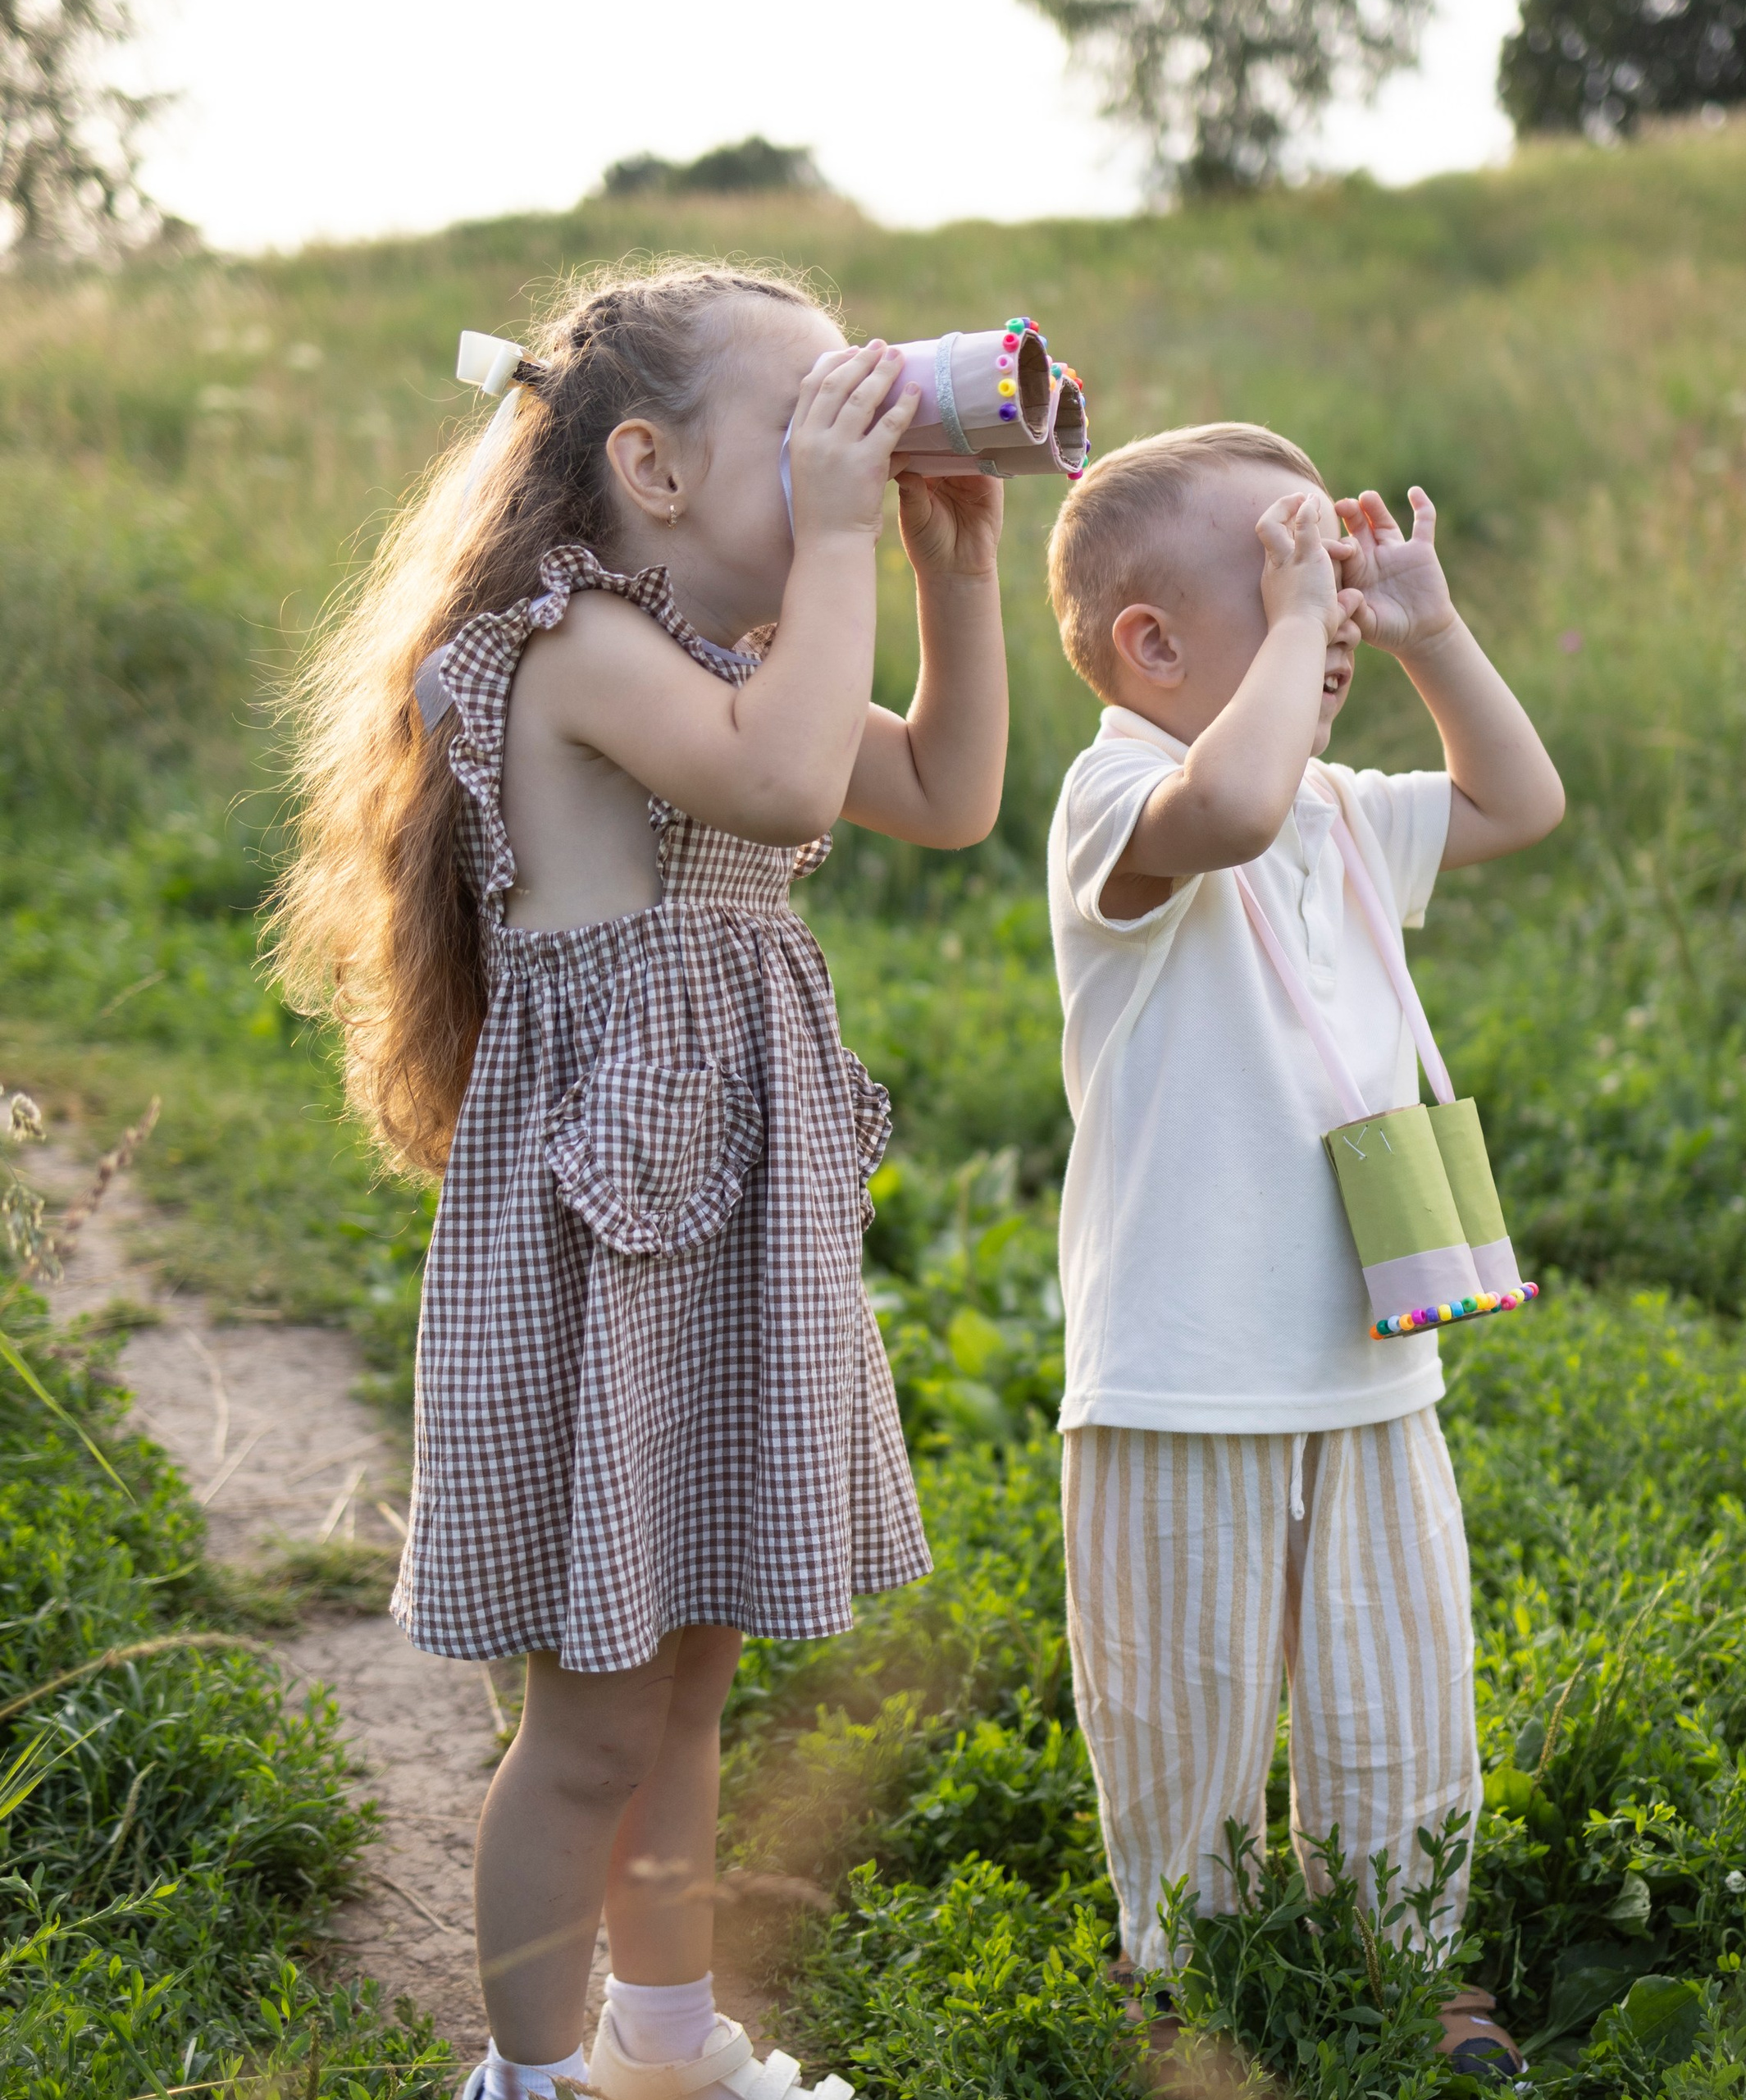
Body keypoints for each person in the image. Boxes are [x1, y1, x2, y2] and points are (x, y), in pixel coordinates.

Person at [271, 262, 1011, 2100]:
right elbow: (784, 788)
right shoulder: (574, 649)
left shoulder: (733, 661)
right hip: (607, 1248)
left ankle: (662, 2045)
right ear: (653, 471)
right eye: (805, 428)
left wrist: (951, 571)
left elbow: (946, 789)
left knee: (688, 1683)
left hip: (720, 1233)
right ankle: (526, 2080)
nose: (843, 456)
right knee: (593, 1723)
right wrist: (842, 541)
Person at [1044, 423, 1564, 2077]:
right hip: (1179, 1376)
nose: (1324, 617)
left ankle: (1395, 1959)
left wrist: (1426, 629)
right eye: (1281, 579)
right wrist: (1293, 634)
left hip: (1364, 1359)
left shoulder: (1335, 811)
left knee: (1398, 1692)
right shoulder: (1121, 797)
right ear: (1152, 645)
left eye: (1328, 585)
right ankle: (1181, 1970)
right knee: (1178, 1703)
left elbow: (1519, 800)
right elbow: (1229, 800)